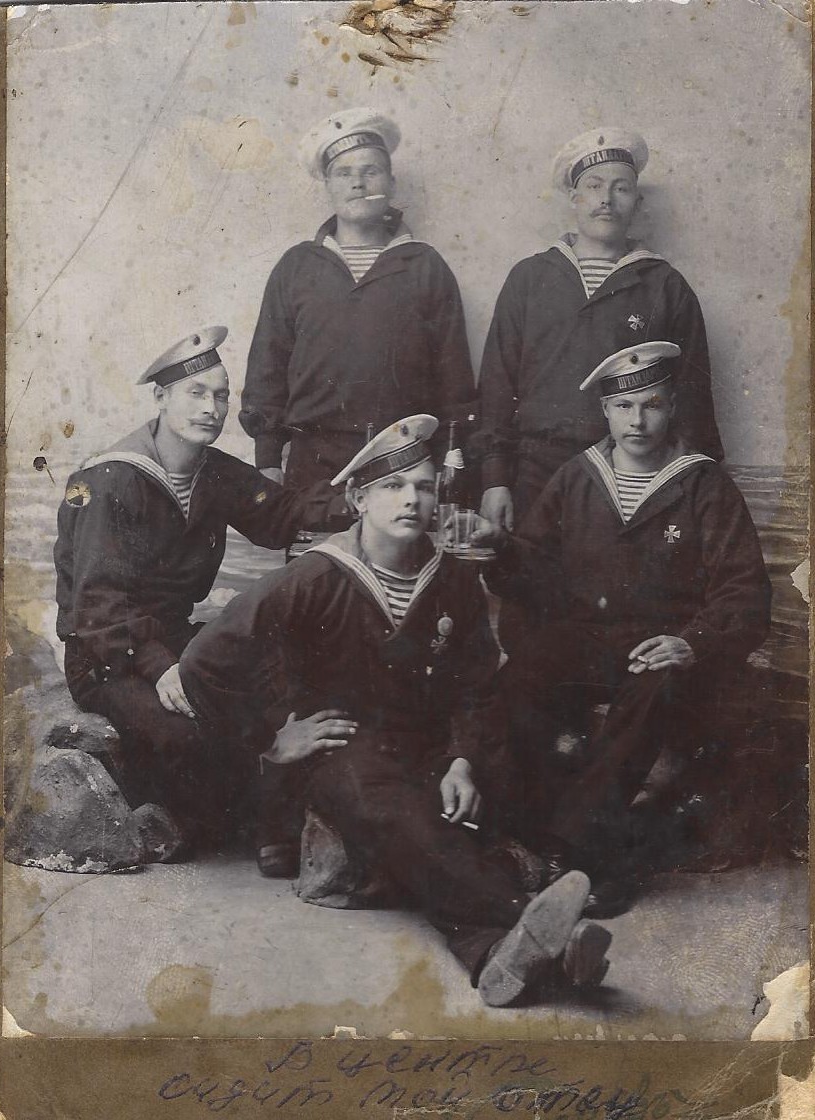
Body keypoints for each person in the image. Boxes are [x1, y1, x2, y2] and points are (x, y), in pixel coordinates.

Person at [179, 415, 612, 1007]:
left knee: (477, 801)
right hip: (343, 751)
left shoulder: (452, 576)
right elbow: (203, 662)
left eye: (425, 487)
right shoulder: (315, 575)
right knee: (402, 815)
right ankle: (534, 927)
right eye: (393, 486)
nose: (412, 499)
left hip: (427, 747)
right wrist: (269, 741)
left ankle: (494, 954)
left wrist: (462, 761)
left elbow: (477, 686)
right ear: (358, 499)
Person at [477, 342, 771, 913]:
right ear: (605, 411)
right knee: (522, 676)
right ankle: (521, 836)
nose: (638, 421)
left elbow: (745, 592)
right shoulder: (577, 476)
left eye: (652, 405)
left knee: (654, 686)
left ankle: (583, 856)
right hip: (586, 638)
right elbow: (534, 569)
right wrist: (500, 549)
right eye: (624, 406)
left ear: (672, 408)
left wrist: (693, 642)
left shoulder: (703, 484)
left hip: (661, 646)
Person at [54, 326, 334, 852]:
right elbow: (98, 608)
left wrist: (359, 501)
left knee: (284, 671)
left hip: (174, 637)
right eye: (196, 393)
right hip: (107, 658)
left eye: (221, 396)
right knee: (184, 734)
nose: (212, 408)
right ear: (161, 398)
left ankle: (276, 822)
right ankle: (253, 806)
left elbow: (281, 515)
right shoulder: (112, 479)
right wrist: (162, 667)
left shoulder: (215, 472)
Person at [478, 127, 724, 532]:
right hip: (535, 471)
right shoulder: (529, 278)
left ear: (637, 202)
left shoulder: (665, 285)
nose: (606, 199)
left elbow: (693, 401)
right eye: (593, 186)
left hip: (630, 474)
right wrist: (494, 479)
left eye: (621, 188)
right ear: (573, 197)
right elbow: (496, 386)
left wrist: (698, 492)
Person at [239, 107, 476, 498]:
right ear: (328, 185)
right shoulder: (297, 266)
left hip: (403, 461)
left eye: (371, 171)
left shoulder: (424, 265)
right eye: (344, 173)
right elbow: (267, 368)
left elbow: (455, 381)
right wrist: (267, 459)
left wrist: (450, 458)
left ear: (391, 183)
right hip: (312, 461)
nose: (358, 183)